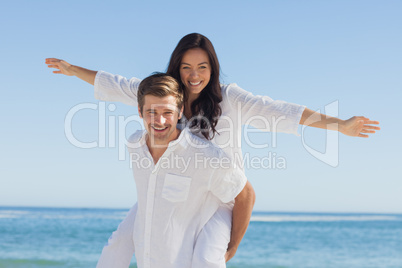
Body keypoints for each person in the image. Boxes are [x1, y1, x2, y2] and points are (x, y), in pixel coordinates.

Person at [45, 32, 380, 264]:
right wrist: (73, 70)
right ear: (176, 67)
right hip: (170, 187)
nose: (194, 75)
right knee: (121, 242)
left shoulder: (230, 97)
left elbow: (280, 110)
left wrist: (340, 125)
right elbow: (119, 85)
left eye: (202, 67)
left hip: (220, 197)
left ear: (212, 68)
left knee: (207, 258)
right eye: (186, 67)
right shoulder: (166, 95)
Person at [102, 72, 248, 268]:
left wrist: (232, 247)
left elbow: (245, 195)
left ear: (180, 112)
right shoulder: (134, 144)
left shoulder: (203, 155)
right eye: (151, 112)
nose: (159, 121)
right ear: (139, 111)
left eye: (167, 113)